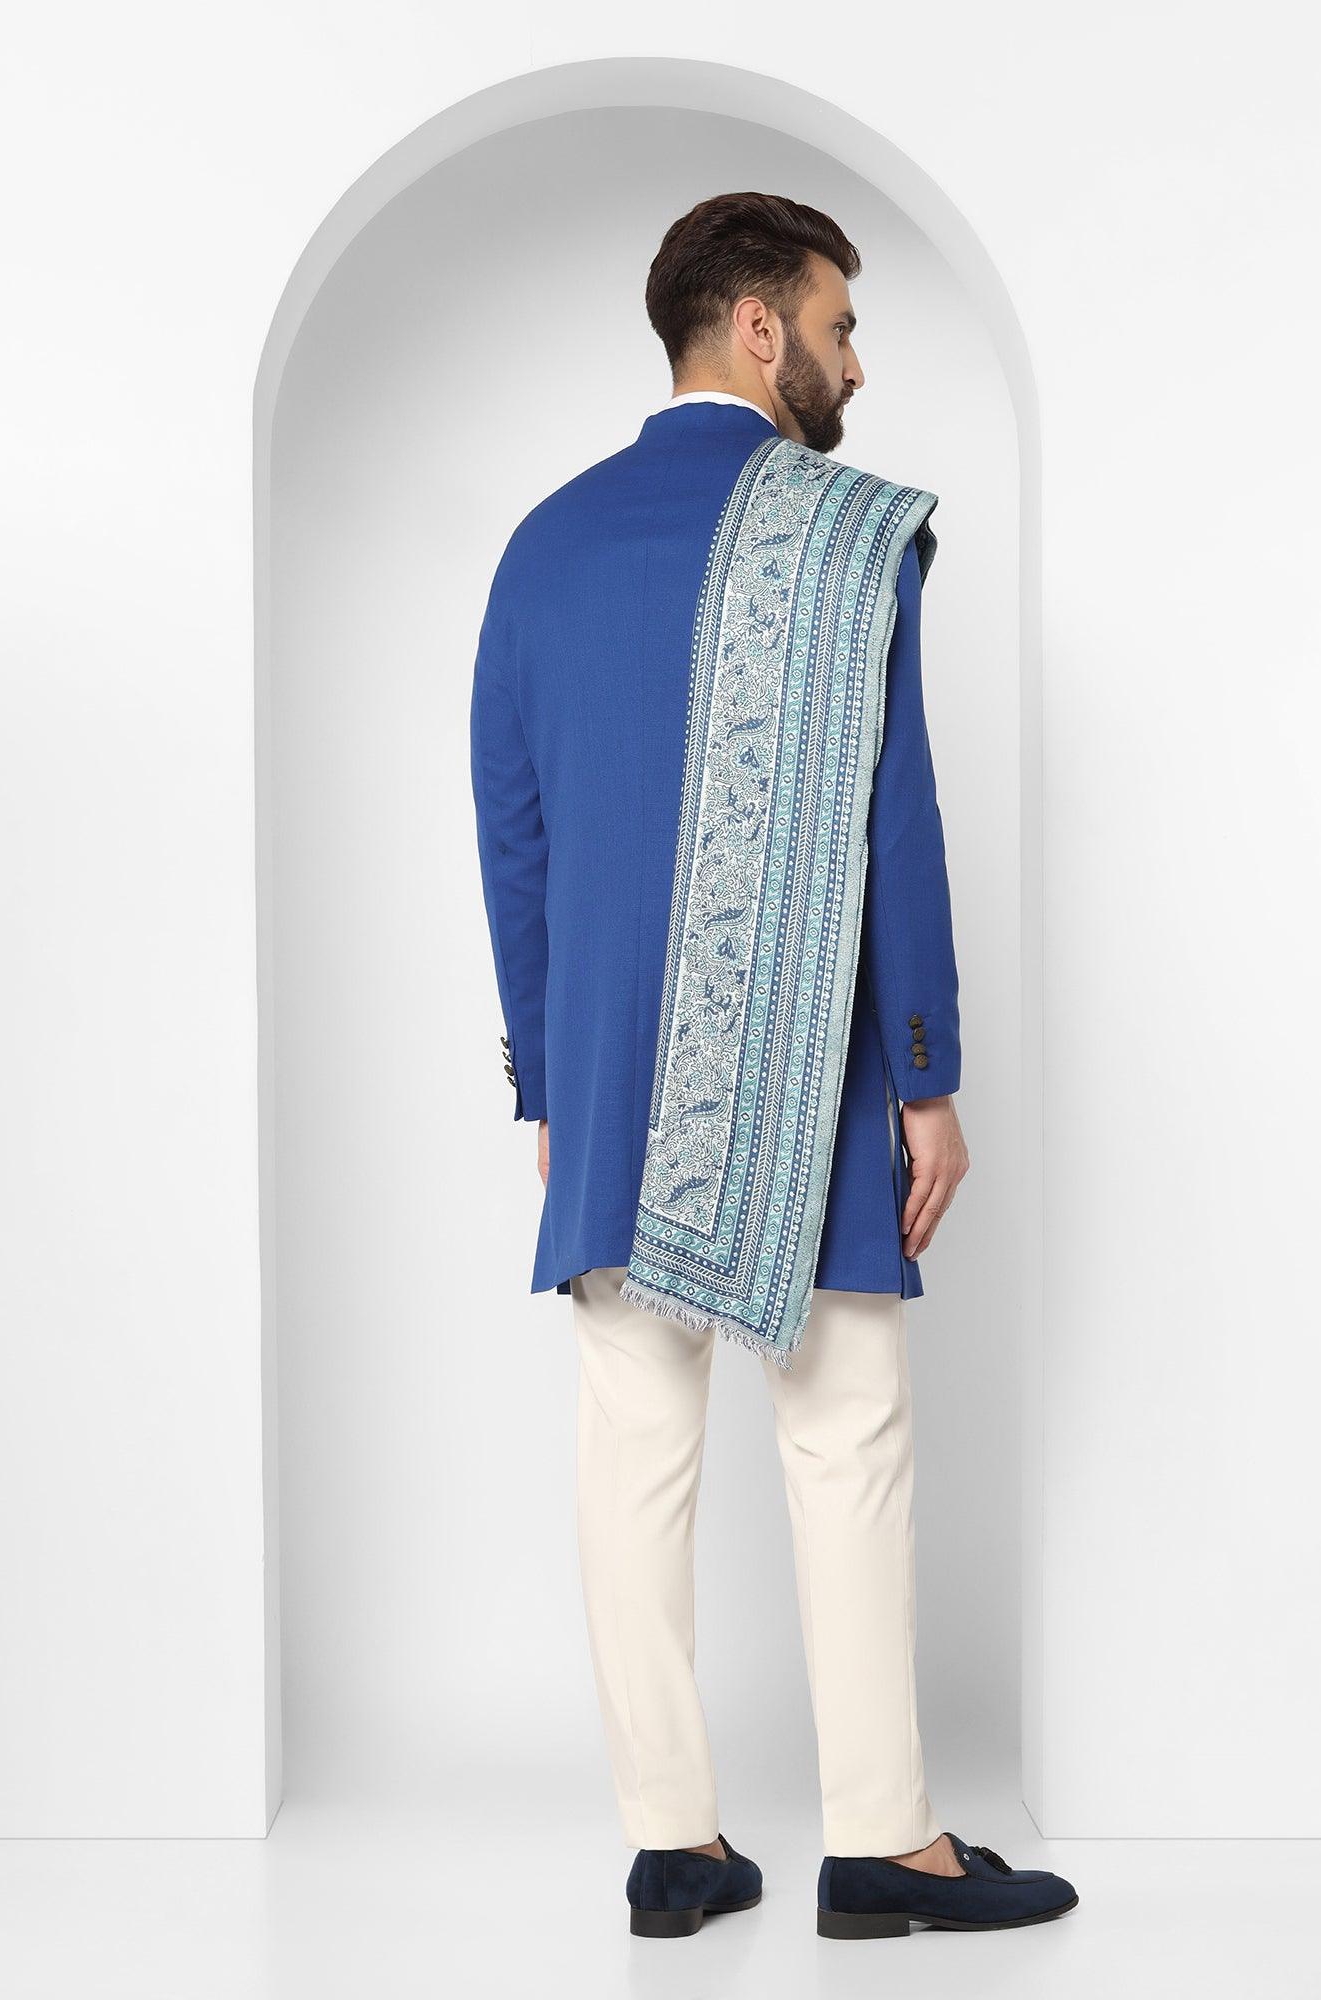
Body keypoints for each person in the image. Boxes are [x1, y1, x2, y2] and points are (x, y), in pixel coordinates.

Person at [469, 191, 1077, 1941]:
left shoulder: (540, 546)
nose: (854, 364)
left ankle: (675, 1846)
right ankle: (884, 1842)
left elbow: (511, 832)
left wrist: (547, 1082)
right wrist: (926, 1073)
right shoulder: (846, 536)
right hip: (814, 1056)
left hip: (606, 1072)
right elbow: (900, 825)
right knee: (847, 1429)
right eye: (837, 325)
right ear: (757, 327)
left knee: (631, 1447)